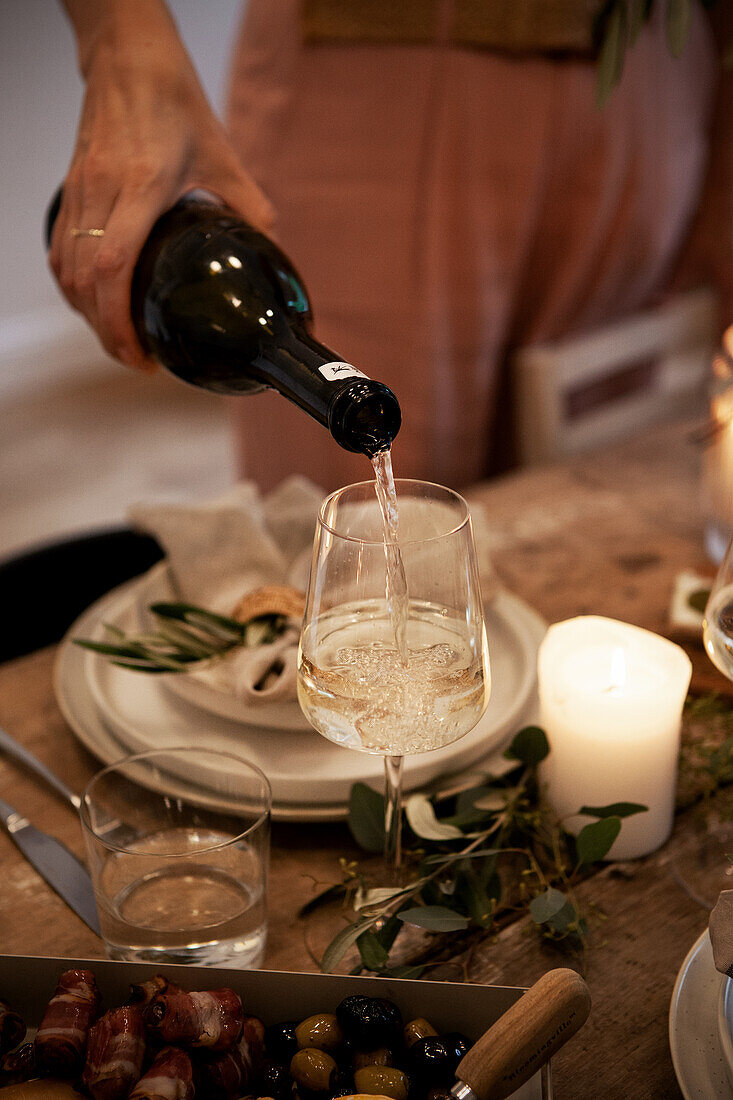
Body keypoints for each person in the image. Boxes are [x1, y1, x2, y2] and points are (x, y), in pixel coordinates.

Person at [51, 0, 732, 491]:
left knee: (583, 498)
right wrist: (121, 46)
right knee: (338, 539)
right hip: (379, 64)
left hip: (653, 69)